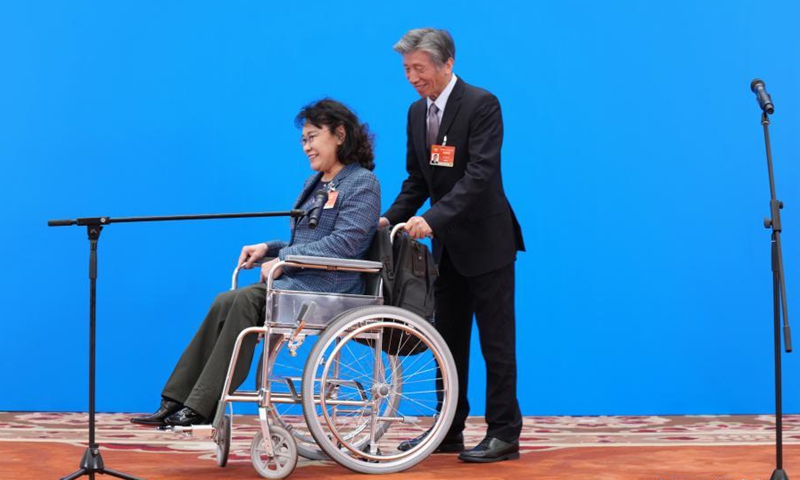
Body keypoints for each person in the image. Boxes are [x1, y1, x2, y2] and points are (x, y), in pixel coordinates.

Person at [131, 98, 380, 427]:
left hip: (329, 289)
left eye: (312, 137)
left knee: (246, 301)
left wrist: (285, 259)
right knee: (225, 300)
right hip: (299, 284)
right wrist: (268, 248)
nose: (306, 147)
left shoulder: (362, 183)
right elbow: (303, 242)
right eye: (303, 140)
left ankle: (202, 406)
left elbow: (345, 244)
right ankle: (175, 398)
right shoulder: (315, 183)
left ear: (339, 134)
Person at [380, 28, 525, 463]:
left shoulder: (482, 105)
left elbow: (479, 177)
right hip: (446, 249)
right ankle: (449, 430)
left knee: (496, 345)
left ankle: (504, 434)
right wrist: (390, 217)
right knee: (449, 343)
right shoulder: (414, 113)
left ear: (447, 64)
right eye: (406, 69)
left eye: (419, 68)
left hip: (487, 243)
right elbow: (418, 181)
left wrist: (432, 218)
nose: (412, 77)